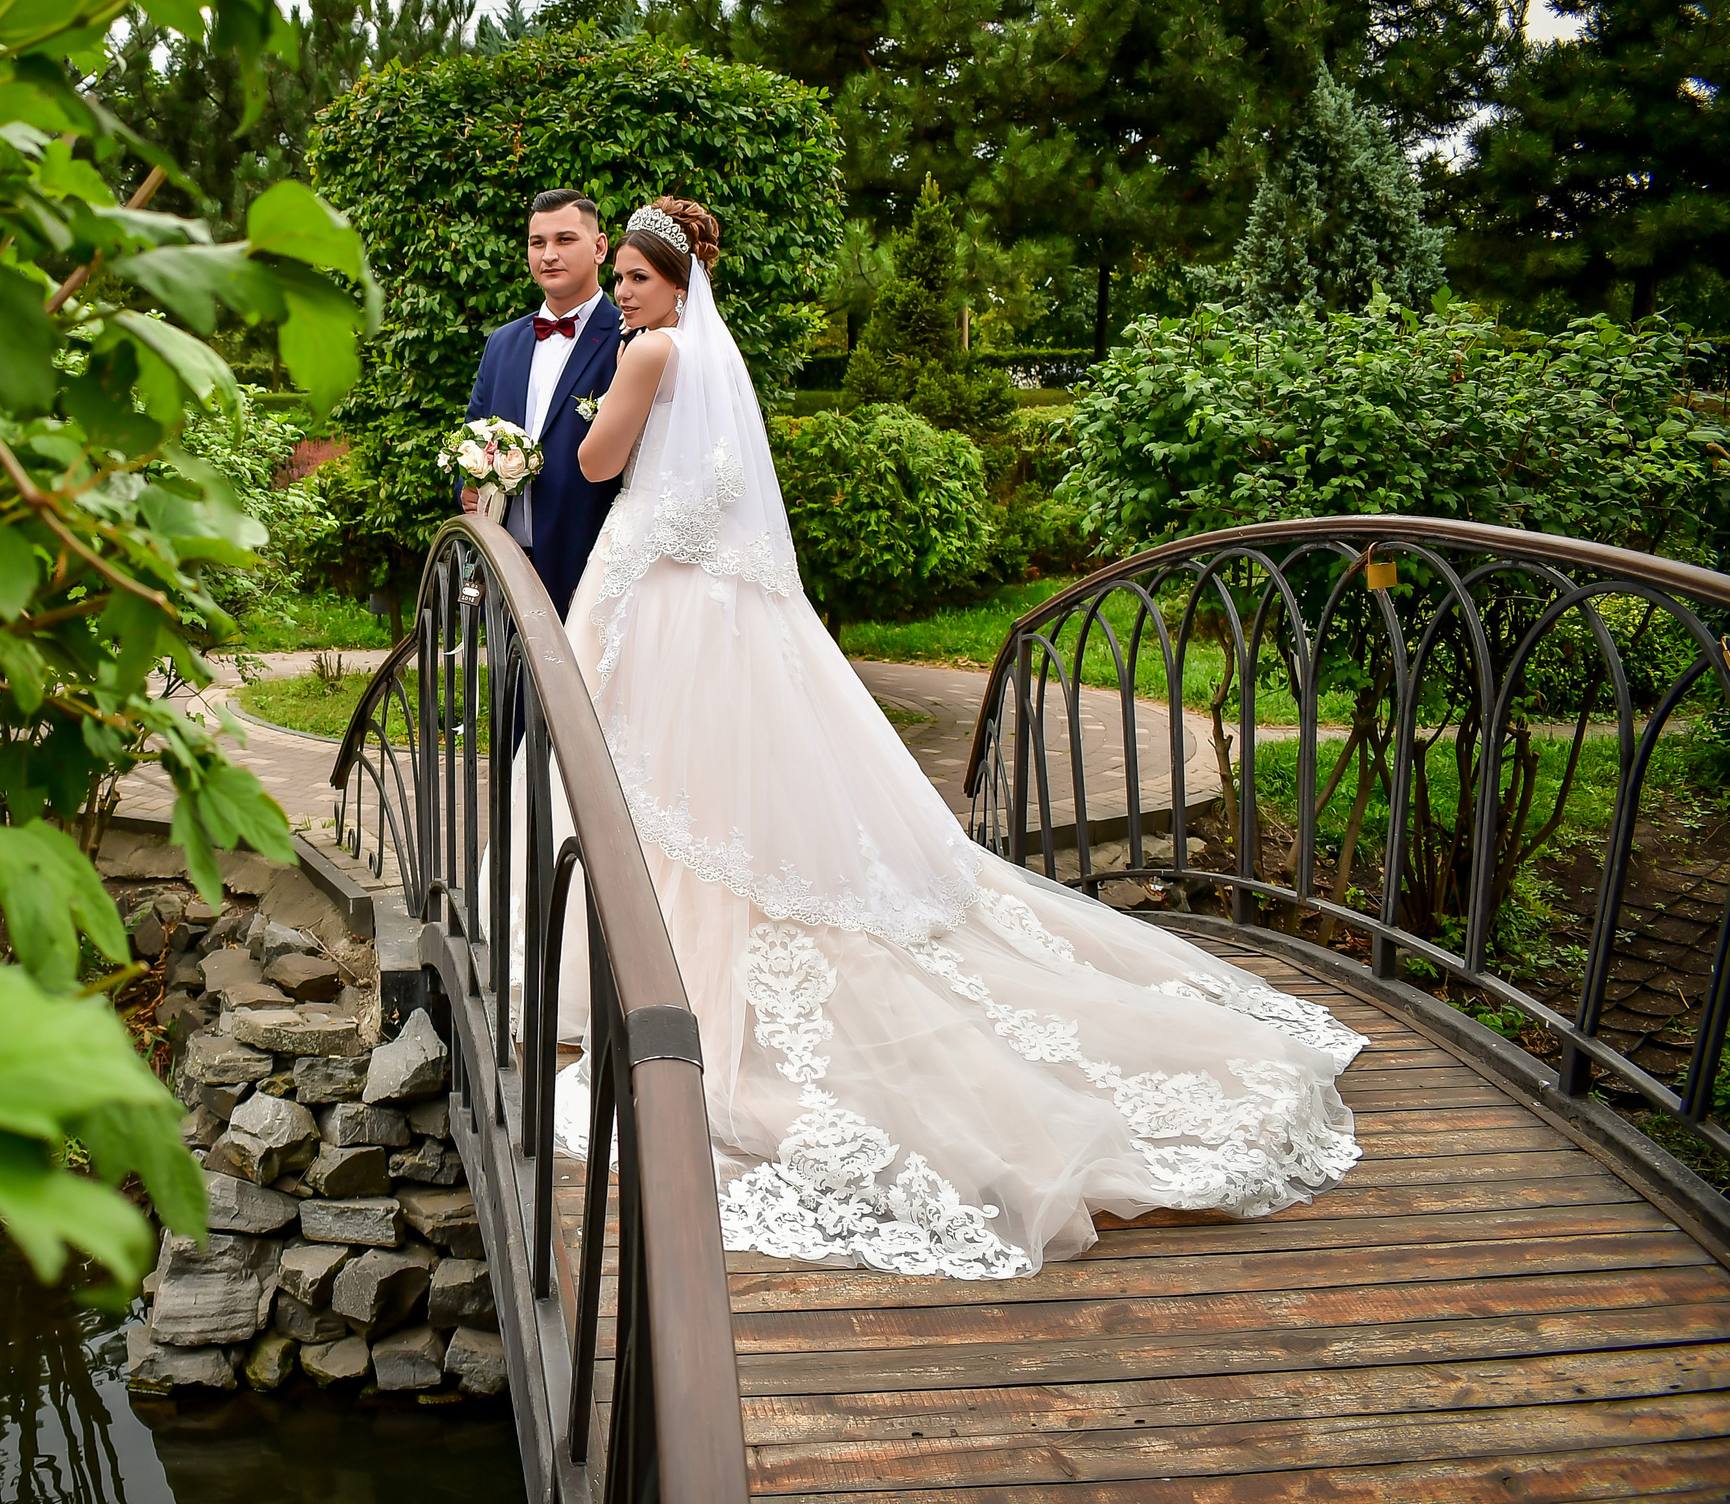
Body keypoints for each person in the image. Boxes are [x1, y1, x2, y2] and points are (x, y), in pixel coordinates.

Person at [546, 198, 1364, 1279]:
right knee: (705, 786)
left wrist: (576, 418)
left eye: (640, 279)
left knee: (662, 777)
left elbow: (600, 468)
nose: (628, 295)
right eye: (627, 282)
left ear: (671, 280)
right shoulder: (709, 354)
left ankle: (653, 971)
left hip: (657, 592)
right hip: (718, 601)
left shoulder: (650, 353)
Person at [461, 189, 625, 618]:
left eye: (565, 240)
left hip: (589, 566)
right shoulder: (502, 343)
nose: (549, 254)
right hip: (504, 564)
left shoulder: (628, 339)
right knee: (508, 686)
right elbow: (470, 437)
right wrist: (467, 488)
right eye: (538, 243)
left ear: (600, 247)